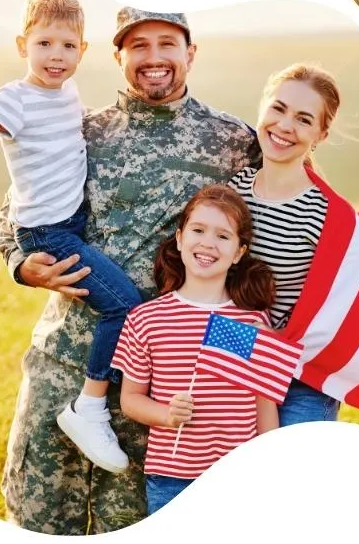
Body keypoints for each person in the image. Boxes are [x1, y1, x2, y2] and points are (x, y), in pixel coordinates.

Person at [0, 6, 261, 534]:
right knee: (36, 521)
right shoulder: (74, 129)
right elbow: (10, 222)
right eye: (138, 46)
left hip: (159, 383)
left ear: (191, 53)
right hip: (63, 366)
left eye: (167, 43)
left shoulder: (232, 141)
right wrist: (26, 268)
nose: (153, 58)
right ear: (118, 57)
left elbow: (268, 233)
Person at [0, 0, 142, 473]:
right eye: (43, 44)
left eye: (66, 45)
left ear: (82, 51)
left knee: (119, 302)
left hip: (71, 224)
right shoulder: (14, 99)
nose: (55, 56)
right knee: (123, 304)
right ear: (23, 46)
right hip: (48, 234)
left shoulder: (67, 94)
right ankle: (89, 405)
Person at [112, 184, 278, 515]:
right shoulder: (147, 319)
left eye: (223, 236)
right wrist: (165, 414)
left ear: (239, 253)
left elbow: (264, 404)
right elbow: (130, 399)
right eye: (198, 230)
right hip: (173, 479)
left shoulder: (252, 322)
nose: (207, 243)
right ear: (179, 238)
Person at [229, 63, 341, 425]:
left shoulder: (327, 213)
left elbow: (338, 308)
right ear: (263, 107)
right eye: (278, 108)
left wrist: (272, 345)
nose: (285, 126)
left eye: (304, 119)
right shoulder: (231, 193)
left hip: (301, 380)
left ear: (321, 135)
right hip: (231, 370)